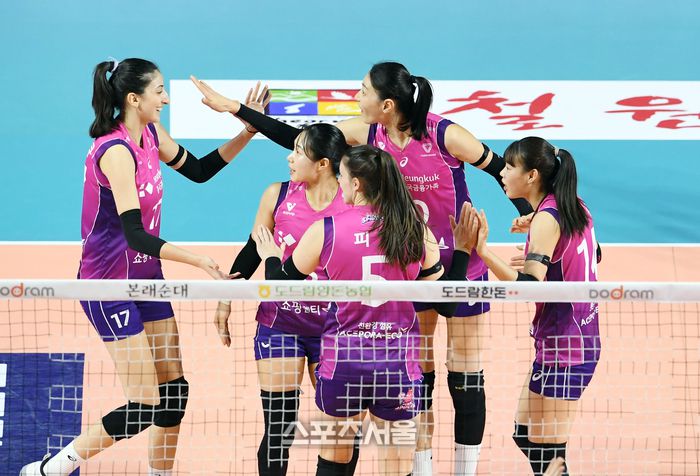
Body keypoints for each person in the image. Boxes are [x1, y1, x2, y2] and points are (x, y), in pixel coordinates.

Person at [191, 62, 533, 475]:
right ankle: (421, 468)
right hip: (407, 260)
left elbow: (503, 171)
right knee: (420, 373)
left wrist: (537, 217)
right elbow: (312, 143)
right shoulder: (367, 135)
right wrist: (238, 110)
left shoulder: (446, 135)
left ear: (387, 104)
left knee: (464, 373)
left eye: (363, 90)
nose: (357, 96)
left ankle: (465, 470)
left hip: (454, 257)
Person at [20, 58, 266, 476]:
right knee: (145, 404)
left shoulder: (151, 133)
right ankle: (51, 469)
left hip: (146, 278)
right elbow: (134, 234)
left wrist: (248, 131)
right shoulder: (116, 152)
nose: (166, 99)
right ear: (134, 99)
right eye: (159, 91)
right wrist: (198, 261)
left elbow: (200, 171)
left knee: (174, 394)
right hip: (108, 286)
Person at [253, 145, 479, 476]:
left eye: (342, 176)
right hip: (395, 367)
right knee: (395, 467)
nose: (340, 183)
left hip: (343, 364)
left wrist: (272, 255)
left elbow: (279, 286)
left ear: (356, 184)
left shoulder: (326, 230)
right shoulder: (414, 229)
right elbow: (448, 304)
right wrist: (461, 251)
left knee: (334, 457)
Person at [212, 122, 350, 476]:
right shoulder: (277, 194)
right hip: (281, 323)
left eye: (298, 152)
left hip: (334, 328)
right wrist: (226, 298)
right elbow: (253, 250)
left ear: (323, 164)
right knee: (280, 427)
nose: (289, 158)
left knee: (340, 431)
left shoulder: (351, 201)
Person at [468, 137, 601, 476]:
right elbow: (594, 252)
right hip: (565, 340)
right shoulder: (573, 205)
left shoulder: (548, 219)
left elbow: (527, 287)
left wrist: (484, 252)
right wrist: (538, 231)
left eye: (510, 167)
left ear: (532, 176)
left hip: (568, 347)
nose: (503, 173)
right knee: (524, 435)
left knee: (550, 454)